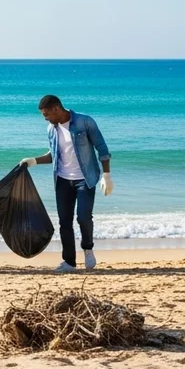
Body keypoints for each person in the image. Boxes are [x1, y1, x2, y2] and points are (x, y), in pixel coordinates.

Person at [20, 95, 113, 272]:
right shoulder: (51, 129)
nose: (45, 118)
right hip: (62, 181)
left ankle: (87, 248)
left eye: (46, 114)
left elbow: (102, 147)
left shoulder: (84, 122)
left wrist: (106, 174)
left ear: (56, 109)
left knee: (83, 217)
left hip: (85, 179)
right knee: (65, 222)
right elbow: (54, 155)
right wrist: (33, 161)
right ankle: (69, 262)